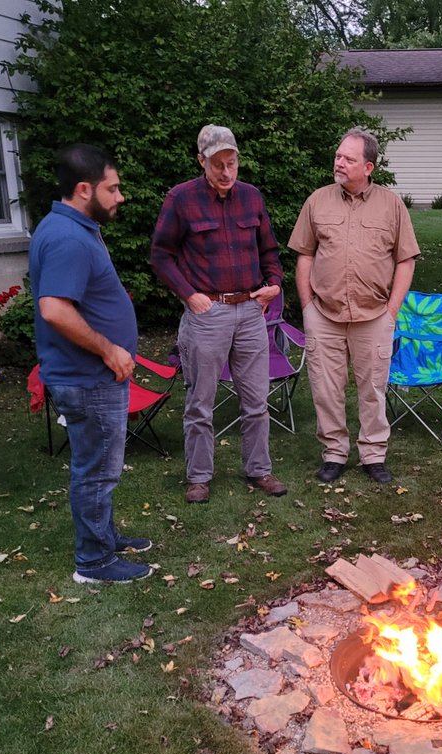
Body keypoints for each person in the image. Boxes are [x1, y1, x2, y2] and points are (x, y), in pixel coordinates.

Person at [30, 144, 151, 584]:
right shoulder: (66, 237)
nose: (120, 197)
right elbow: (54, 309)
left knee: (100, 468)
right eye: (112, 188)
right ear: (84, 189)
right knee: (96, 471)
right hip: (89, 377)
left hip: (93, 375)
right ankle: (95, 562)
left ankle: (105, 537)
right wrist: (108, 349)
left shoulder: (75, 227)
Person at [150, 124, 287, 504]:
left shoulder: (252, 198)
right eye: (217, 165)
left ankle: (259, 469)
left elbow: (270, 252)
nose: (226, 173)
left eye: (232, 163)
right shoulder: (181, 199)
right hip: (207, 313)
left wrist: (273, 284)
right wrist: (189, 295)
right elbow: (161, 255)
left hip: (249, 311)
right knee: (200, 401)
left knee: (257, 400)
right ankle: (198, 477)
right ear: (201, 161)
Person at [288, 128, 420, 485]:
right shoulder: (317, 201)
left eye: (348, 158)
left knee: (373, 388)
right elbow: (304, 254)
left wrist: (392, 310)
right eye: (338, 156)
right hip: (324, 315)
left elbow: (405, 260)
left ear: (368, 166)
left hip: (375, 314)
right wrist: (307, 307)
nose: (339, 162)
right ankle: (333, 453)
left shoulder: (391, 205)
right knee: (325, 388)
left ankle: (373, 455)